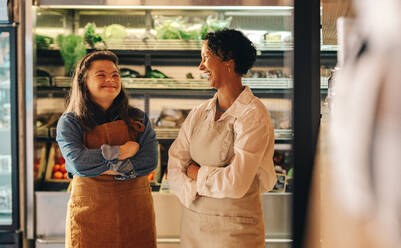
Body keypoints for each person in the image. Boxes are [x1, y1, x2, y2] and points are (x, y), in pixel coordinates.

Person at [167, 29, 277, 247]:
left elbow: (236, 183)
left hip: (235, 232)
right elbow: (174, 167)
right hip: (193, 228)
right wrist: (210, 180)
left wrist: (196, 172)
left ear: (228, 61)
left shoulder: (253, 114)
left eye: (206, 57)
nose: (200, 67)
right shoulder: (199, 113)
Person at [56, 51, 158, 248]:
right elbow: (78, 163)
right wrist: (122, 151)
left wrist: (102, 166)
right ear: (83, 81)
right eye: (101, 75)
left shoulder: (138, 118)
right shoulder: (70, 122)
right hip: (89, 218)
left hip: (135, 216)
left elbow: (149, 161)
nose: (110, 79)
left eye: (115, 75)